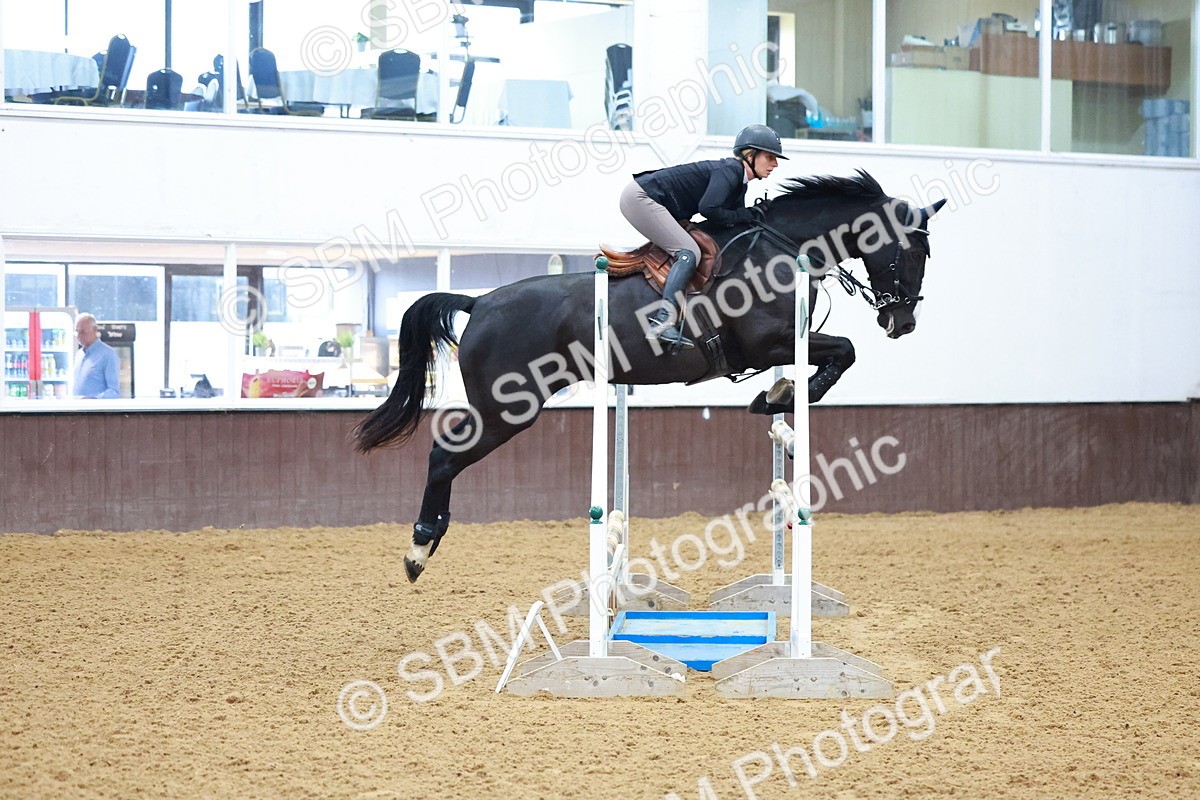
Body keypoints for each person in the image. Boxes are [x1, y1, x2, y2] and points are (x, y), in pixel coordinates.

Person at [620, 124, 786, 352]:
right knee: (688, 252)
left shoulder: (739, 184)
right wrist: (744, 214)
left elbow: (732, 223)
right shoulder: (730, 170)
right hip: (641, 198)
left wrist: (756, 215)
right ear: (750, 155)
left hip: (652, 199)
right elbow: (709, 209)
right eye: (770, 157)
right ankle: (663, 321)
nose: (775, 164)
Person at [74, 313, 121, 399]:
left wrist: (93, 399)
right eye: (76, 332)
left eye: (82, 332)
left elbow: (114, 391)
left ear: (95, 330)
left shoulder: (108, 354)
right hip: (75, 406)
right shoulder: (79, 355)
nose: (78, 336)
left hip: (95, 407)